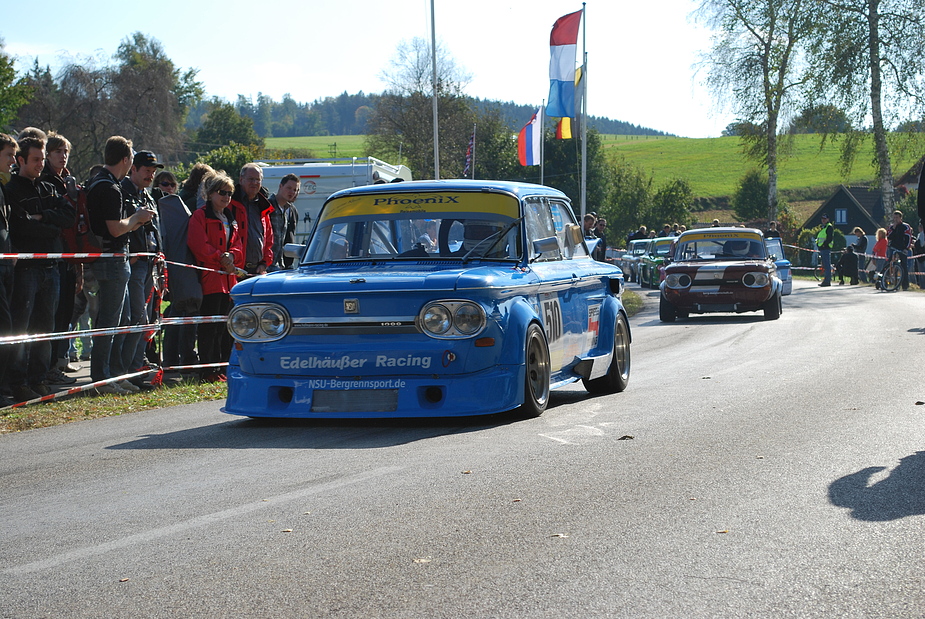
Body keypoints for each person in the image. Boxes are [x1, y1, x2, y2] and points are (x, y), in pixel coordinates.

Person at [4, 136, 75, 402]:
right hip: (25, 269)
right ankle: (18, 381)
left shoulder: (48, 187)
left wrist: (44, 217)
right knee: (21, 328)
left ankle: (39, 377)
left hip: (51, 266)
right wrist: (47, 225)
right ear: (20, 160)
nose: (40, 164)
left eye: (42, 159)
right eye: (35, 159)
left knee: (45, 327)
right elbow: (21, 225)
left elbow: (68, 216)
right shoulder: (11, 190)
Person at [85, 136, 154, 395]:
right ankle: (102, 379)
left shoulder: (100, 181)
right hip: (112, 259)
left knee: (121, 319)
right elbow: (115, 229)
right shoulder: (110, 188)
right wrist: (137, 217)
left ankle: (113, 374)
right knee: (109, 322)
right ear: (125, 160)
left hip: (113, 259)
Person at [188, 172, 244, 382]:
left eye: (229, 193)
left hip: (229, 281)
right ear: (210, 193)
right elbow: (198, 245)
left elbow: (238, 245)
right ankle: (208, 369)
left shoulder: (231, 218)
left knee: (225, 327)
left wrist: (233, 256)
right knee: (209, 328)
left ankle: (222, 366)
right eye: (222, 192)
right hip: (210, 280)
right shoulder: (200, 216)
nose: (226, 197)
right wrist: (220, 257)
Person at [40, 132, 82, 380]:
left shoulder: (67, 182)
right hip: (50, 257)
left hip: (69, 255)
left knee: (65, 311)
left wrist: (79, 266)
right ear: (47, 154)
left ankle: (57, 361)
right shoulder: (45, 181)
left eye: (65, 152)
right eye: (57, 151)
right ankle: (46, 367)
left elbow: (74, 223)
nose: (63, 156)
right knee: (51, 315)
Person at [121, 150, 163, 388]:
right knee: (136, 317)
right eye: (147, 170)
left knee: (146, 318)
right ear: (133, 169)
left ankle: (138, 364)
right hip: (134, 264)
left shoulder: (148, 195)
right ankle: (130, 369)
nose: (151, 175)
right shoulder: (123, 192)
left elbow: (156, 230)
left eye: (153, 171)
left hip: (150, 264)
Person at [230, 163, 274, 275]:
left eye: (257, 180)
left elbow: (268, 240)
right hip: (235, 271)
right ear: (241, 179)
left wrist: (264, 263)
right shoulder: (230, 204)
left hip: (257, 271)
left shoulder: (263, 207)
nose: (254, 183)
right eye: (250, 179)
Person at [0, 134, 17, 406]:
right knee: (6, 328)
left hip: (5, 266)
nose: (14, 161)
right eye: (9, 156)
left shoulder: (3, 187)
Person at [268, 173, 300, 270]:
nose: (292, 192)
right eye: (289, 188)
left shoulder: (289, 210)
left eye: (295, 190)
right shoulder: (268, 206)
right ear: (280, 186)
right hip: (267, 265)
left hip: (280, 265)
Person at [886, 209, 913, 291]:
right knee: (888, 262)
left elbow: (909, 238)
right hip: (893, 247)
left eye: (897, 217)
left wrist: (906, 248)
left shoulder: (905, 226)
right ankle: (884, 281)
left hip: (902, 248)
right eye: (894, 217)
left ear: (900, 218)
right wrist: (893, 229)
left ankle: (905, 285)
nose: (895, 219)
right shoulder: (891, 227)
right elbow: (889, 237)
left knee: (904, 265)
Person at [815, 213, 834, 287]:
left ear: (828, 219)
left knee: (827, 265)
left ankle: (827, 281)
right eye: (822, 219)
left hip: (825, 248)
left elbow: (829, 238)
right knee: (825, 265)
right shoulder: (824, 227)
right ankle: (826, 280)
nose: (823, 220)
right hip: (822, 249)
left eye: (825, 219)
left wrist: (824, 245)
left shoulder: (829, 227)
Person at [914, 222, 925, 288]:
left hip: (921, 256)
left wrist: (915, 244)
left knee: (922, 271)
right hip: (919, 255)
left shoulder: (922, 234)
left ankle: (923, 286)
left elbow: (921, 244)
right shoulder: (919, 234)